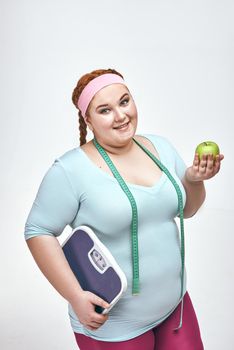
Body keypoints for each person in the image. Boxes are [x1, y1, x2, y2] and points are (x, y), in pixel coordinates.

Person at [24, 68, 224, 350]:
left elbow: (188, 210)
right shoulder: (70, 170)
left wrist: (193, 180)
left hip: (174, 308)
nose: (120, 116)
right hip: (115, 325)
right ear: (88, 120)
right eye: (104, 110)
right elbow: (38, 230)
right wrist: (75, 296)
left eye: (124, 101)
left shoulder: (160, 147)